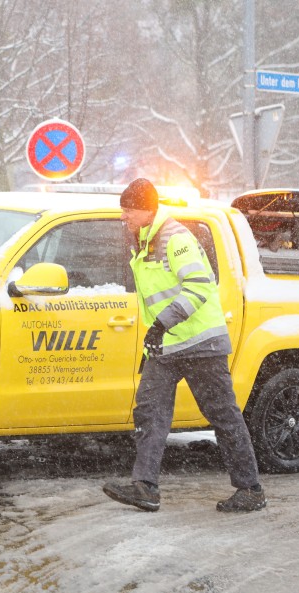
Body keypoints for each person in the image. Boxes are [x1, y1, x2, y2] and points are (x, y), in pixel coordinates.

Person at [102, 178, 266, 513]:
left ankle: (250, 490)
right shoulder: (142, 240)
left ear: (147, 209)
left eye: (128, 210)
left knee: (222, 415)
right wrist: (156, 334)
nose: (124, 217)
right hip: (166, 346)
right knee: (150, 412)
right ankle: (145, 487)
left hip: (201, 342)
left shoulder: (175, 239)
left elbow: (198, 287)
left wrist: (163, 322)